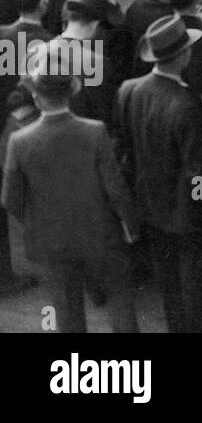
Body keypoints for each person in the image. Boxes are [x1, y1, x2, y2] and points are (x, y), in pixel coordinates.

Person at [2, 41, 140, 332]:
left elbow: (11, 198)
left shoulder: (20, 141)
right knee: (121, 299)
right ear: (71, 92)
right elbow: (115, 188)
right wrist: (130, 224)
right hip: (100, 233)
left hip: (51, 239)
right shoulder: (95, 132)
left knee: (65, 312)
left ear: (37, 98)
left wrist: (34, 221)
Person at [114, 12, 202, 333]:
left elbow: (126, 146)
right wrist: (201, 206)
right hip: (185, 210)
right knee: (196, 281)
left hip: (148, 201)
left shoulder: (129, 90)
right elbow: (197, 171)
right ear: (184, 55)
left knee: (168, 277)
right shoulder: (186, 103)